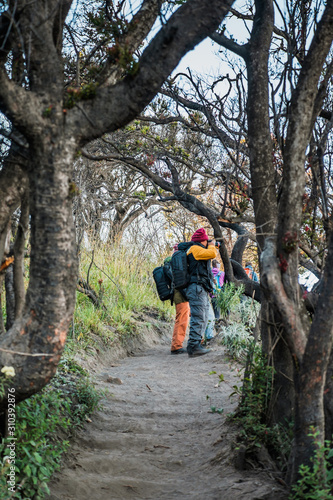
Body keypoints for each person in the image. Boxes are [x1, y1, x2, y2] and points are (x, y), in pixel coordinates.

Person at [178, 227, 217, 357]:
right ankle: (193, 346)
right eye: (207, 241)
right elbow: (212, 254)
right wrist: (212, 245)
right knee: (199, 317)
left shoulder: (197, 249)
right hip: (196, 288)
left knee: (204, 317)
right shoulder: (195, 249)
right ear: (203, 241)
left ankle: (197, 344)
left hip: (200, 288)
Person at [168, 246, 191, 355]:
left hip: (178, 294)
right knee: (182, 320)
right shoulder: (178, 260)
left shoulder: (174, 259)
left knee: (181, 319)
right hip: (180, 294)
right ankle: (176, 346)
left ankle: (176, 344)